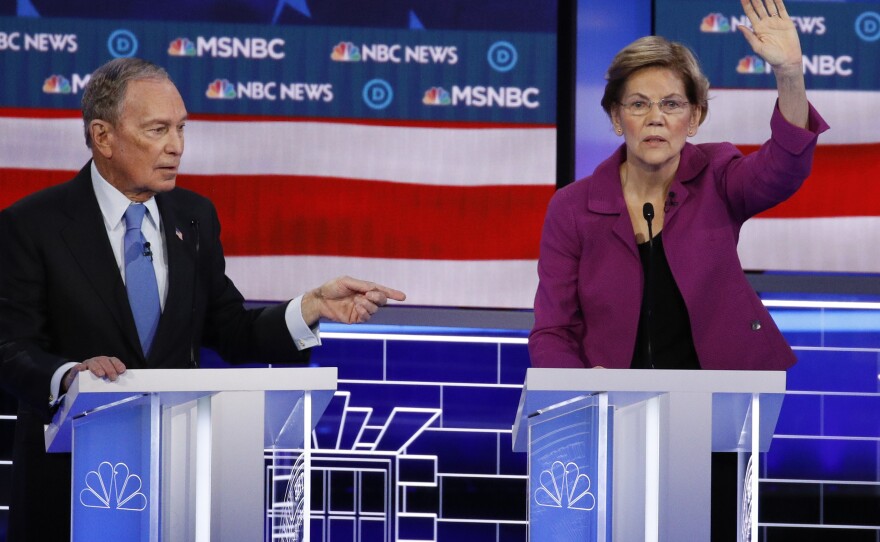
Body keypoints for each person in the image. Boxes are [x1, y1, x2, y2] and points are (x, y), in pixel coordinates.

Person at [0, 57, 405, 541]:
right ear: (103, 136)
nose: (176, 147)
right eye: (157, 130)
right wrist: (69, 377)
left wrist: (311, 307)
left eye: (181, 128)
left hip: (181, 483)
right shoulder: (31, 225)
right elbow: (11, 347)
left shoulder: (193, 218)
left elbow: (229, 330)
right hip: (69, 490)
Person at [529, 0, 828, 371]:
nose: (655, 118)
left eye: (671, 105)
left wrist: (790, 73)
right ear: (616, 117)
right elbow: (553, 330)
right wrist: (582, 395)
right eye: (638, 105)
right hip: (610, 404)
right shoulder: (573, 207)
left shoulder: (717, 175)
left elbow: (784, 168)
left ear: (694, 118)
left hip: (718, 396)